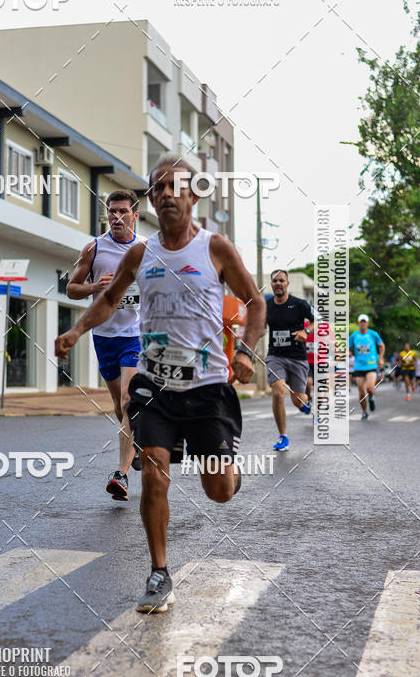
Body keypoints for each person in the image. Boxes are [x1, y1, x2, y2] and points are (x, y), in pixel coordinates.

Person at [55, 153, 266, 613]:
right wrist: (76, 330)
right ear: (151, 199)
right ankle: (159, 572)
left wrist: (246, 351)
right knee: (153, 471)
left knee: (219, 492)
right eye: (160, 188)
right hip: (155, 385)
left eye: (178, 187)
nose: (169, 194)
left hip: (208, 388)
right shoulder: (140, 253)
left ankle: (229, 474)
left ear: (192, 195)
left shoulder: (216, 248)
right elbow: (109, 299)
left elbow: (255, 302)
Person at [66, 189, 143, 501]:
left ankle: (121, 474)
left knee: (127, 401)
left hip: (136, 336)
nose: (117, 217)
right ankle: (135, 443)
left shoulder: (146, 249)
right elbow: (70, 288)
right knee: (118, 405)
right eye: (112, 211)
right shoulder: (94, 248)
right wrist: (93, 288)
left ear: (135, 215)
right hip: (104, 337)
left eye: (123, 211)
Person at [265, 271, 314, 451]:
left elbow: (317, 321)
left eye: (281, 280)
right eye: (275, 280)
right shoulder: (267, 305)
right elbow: (260, 326)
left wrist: (306, 332)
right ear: (271, 284)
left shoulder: (299, 304)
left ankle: (305, 402)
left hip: (297, 358)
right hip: (275, 356)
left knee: (297, 401)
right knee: (278, 391)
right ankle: (283, 436)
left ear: (287, 283)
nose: (278, 283)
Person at [348, 315, 385, 419]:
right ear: (358, 323)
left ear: (367, 323)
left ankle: (372, 398)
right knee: (361, 393)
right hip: (359, 367)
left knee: (369, 388)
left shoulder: (373, 334)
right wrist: (349, 352)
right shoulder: (354, 336)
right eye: (361, 322)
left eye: (365, 322)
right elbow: (348, 348)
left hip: (371, 365)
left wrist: (380, 358)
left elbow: (382, 345)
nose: (363, 323)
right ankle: (364, 412)